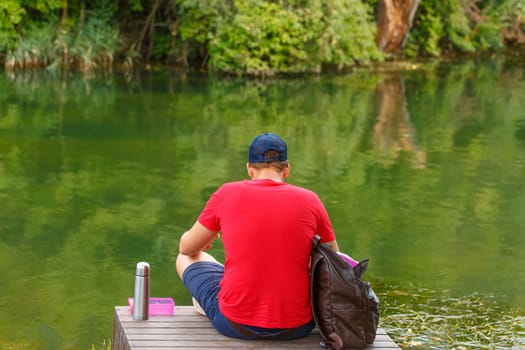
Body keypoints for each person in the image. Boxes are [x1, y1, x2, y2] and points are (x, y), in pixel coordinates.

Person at [175, 132, 339, 340]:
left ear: (249, 169)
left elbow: (186, 248)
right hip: (298, 327)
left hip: (234, 324)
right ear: (287, 169)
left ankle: (209, 302)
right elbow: (335, 262)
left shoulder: (227, 193)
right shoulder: (310, 200)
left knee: (186, 258)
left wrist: (204, 240)